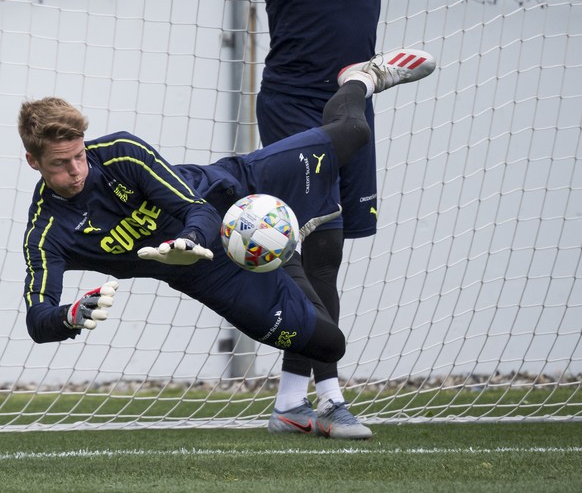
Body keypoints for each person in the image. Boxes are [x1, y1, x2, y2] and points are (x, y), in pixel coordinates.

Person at [204, 0, 565, 439]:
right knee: (308, 250)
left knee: (326, 255)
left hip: (352, 104)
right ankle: (330, 395)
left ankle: (290, 400)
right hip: (292, 108)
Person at [19, 59, 431, 423]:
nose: (77, 170)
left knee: (354, 131)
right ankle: (289, 393)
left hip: (239, 188)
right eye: (60, 163)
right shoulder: (45, 234)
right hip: (214, 277)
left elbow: (196, 209)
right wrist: (70, 316)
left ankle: (359, 78)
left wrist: (189, 240)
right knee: (330, 344)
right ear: (33, 161)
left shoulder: (120, 153)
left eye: (79, 155)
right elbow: (38, 321)